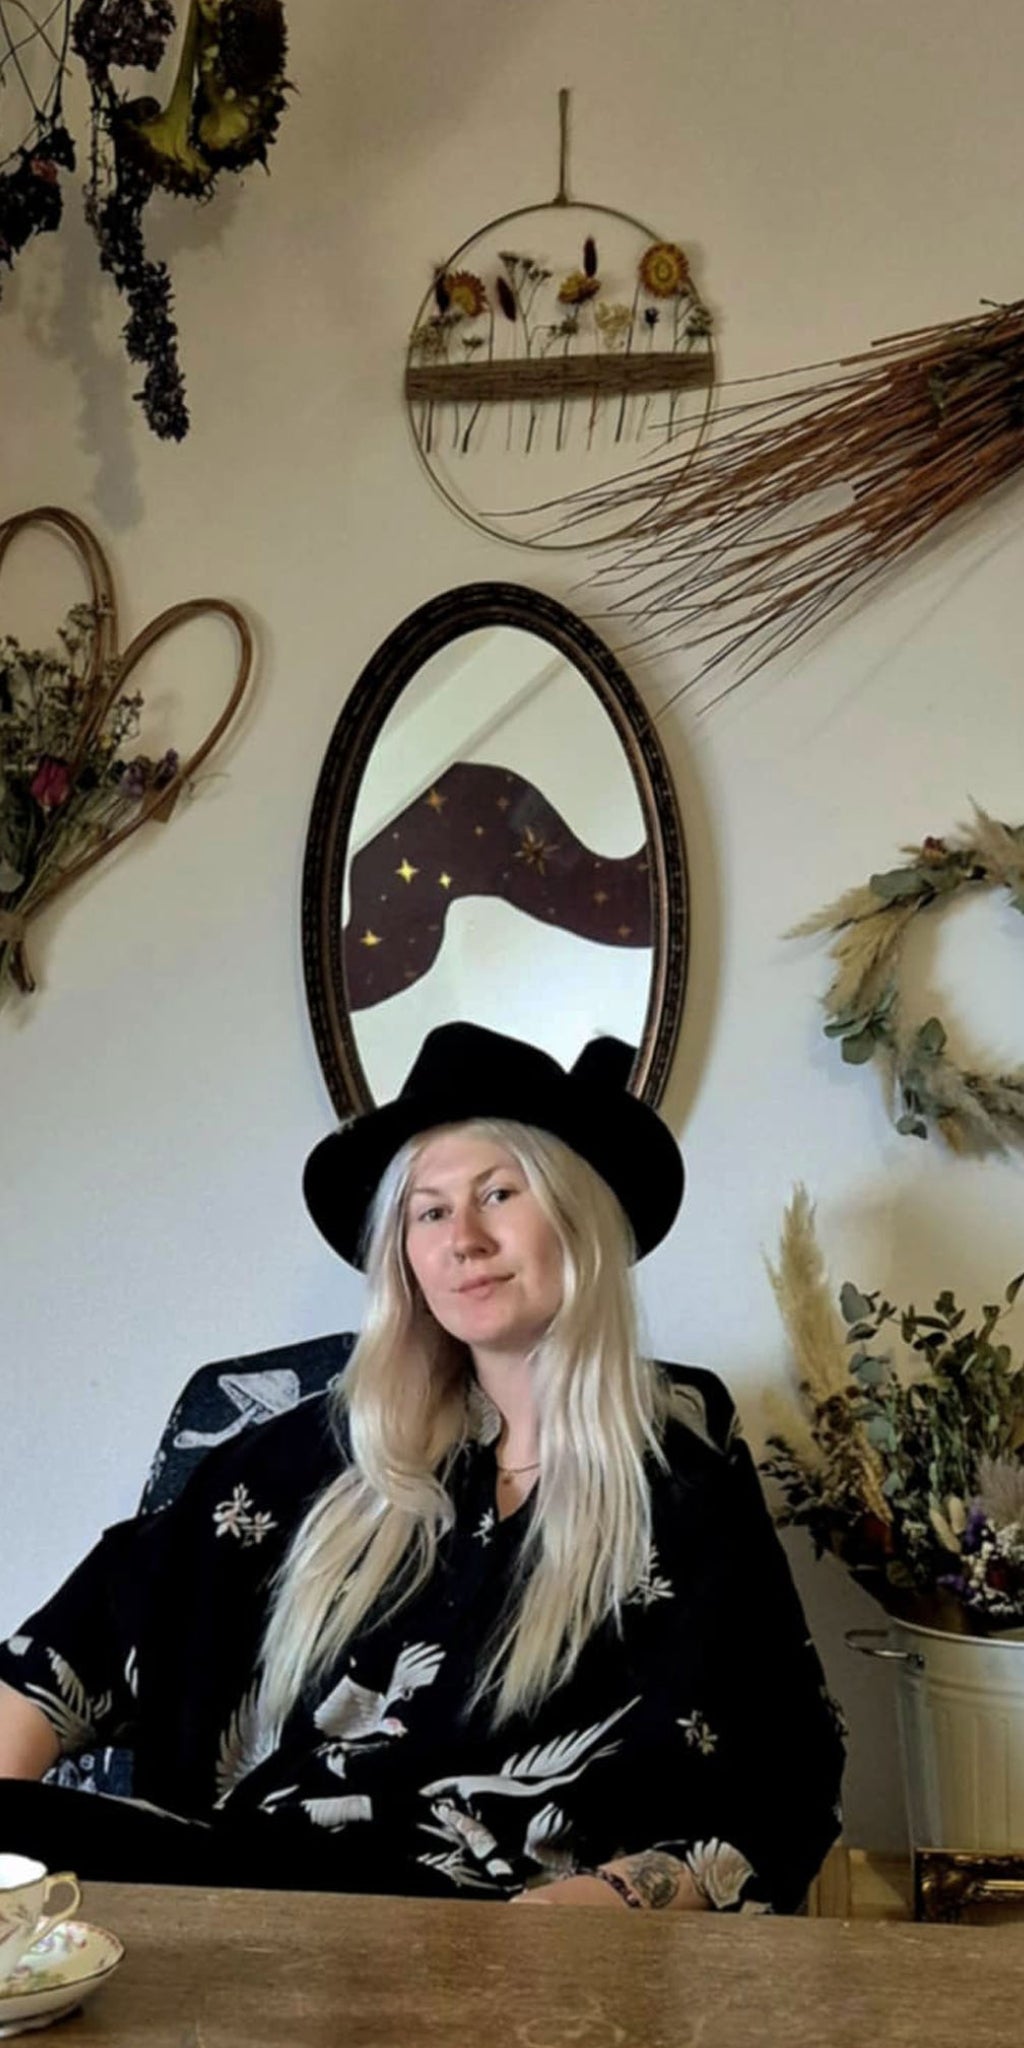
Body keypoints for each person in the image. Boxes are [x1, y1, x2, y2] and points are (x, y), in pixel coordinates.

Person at [0, 1024, 844, 1909]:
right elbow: (79, 1638)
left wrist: (610, 1906)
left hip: (508, 1937)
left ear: (580, 1216)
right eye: (430, 1211)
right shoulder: (323, 1453)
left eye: (499, 1194)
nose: (463, 1238)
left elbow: (785, 1783)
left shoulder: (685, 1489)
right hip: (260, 1893)